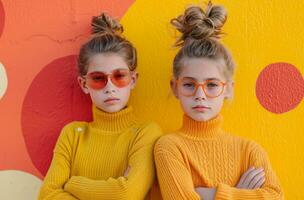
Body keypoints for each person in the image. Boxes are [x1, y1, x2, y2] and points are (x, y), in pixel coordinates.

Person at [154, 2, 283, 199]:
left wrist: (215, 194)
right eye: (189, 84)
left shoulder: (249, 150)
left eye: (212, 85)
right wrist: (242, 192)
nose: (200, 95)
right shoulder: (169, 147)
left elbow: (276, 196)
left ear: (228, 89)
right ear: (175, 87)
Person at [39, 12, 162, 200]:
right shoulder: (72, 135)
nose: (110, 87)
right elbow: (47, 195)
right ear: (83, 84)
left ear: (133, 79)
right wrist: (110, 189)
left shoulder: (146, 133)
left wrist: (72, 183)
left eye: (119, 76)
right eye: (98, 78)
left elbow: (126, 194)